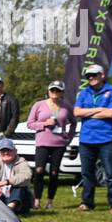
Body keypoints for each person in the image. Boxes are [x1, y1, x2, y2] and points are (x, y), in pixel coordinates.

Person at [73, 64, 112, 213]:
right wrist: (100, 109)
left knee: (111, 173)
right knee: (87, 173)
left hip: (106, 138)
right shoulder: (83, 93)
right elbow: (76, 112)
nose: (91, 78)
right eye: (88, 76)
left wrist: (87, 113)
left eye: (94, 75)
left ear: (102, 75)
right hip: (86, 139)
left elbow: (111, 114)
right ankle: (87, 203)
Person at [26, 80, 71, 210]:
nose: (55, 93)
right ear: (48, 91)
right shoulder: (39, 105)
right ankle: (36, 200)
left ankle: (50, 201)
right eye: (52, 90)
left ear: (62, 93)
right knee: (39, 171)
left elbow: (73, 122)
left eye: (58, 90)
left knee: (54, 173)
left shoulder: (66, 107)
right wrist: (44, 124)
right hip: (42, 142)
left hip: (59, 144)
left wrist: (69, 136)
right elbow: (30, 123)